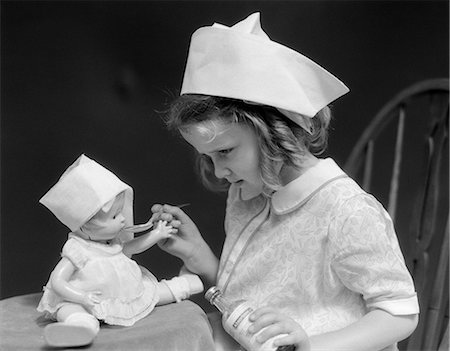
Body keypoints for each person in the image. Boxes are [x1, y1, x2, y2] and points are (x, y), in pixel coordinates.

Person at [151, 12, 419, 351]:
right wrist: (200, 257)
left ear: (272, 132)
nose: (219, 172)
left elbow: (399, 315)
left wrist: (311, 345)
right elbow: (248, 302)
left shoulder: (345, 210)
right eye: (208, 156)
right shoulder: (246, 195)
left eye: (225, 151)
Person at [37, 154, 203, 348]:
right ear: (84, 227)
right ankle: (81, 327)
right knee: (68, 309)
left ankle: (180, 286)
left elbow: (131, 248)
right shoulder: (78, 250)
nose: (123, 220)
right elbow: (58, 280)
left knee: (149, 293)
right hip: (86, 298)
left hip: (123, 290)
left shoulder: (113, 243)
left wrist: (157, 233)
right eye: (115, 216)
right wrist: (81, 297)